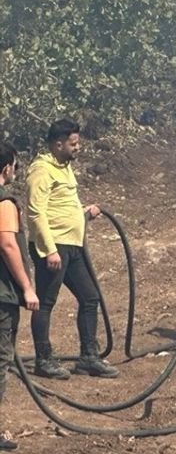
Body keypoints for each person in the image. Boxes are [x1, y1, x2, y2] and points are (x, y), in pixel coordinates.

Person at [27, 119, 117, 379]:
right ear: (58, 144)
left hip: (73, 246)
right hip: (54, 248)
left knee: (90, 298)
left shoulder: (64, 167)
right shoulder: (41, 170)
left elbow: (61, 206)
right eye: (73, 143)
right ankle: (44, 360)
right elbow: (36, 213)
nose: (78, 147)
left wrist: (83, 213)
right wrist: (49, 249)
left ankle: (88, 357)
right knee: (45, 302)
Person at [0, 142, 38, 450]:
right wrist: (26, 287)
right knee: (1, 359)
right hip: (2, 296)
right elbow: (9, 245)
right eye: (14, 165)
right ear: (6, 169)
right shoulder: (5, 203)